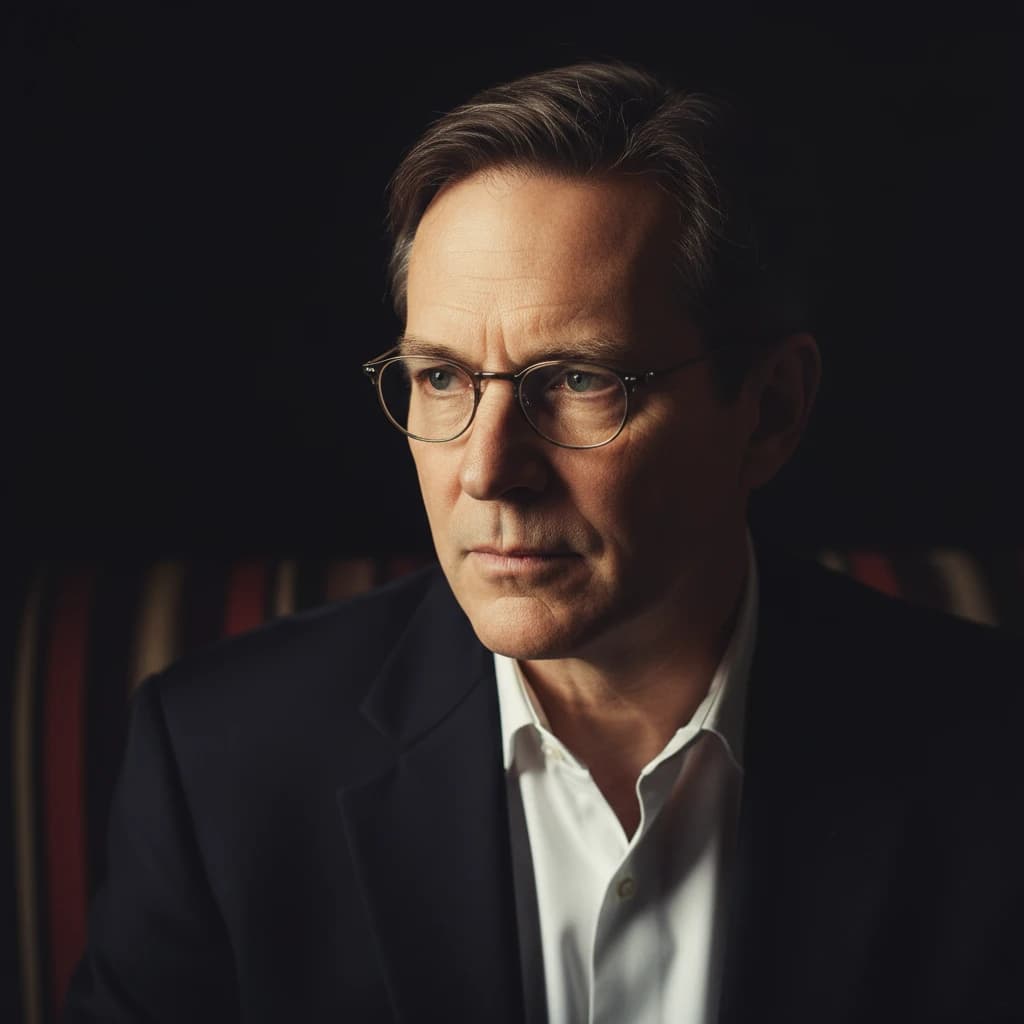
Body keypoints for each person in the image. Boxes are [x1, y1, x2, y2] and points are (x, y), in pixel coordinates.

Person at [65, 61, 1022, 1024]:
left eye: (576, 380)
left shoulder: (992, 760)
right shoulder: (220, 764)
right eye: (441, 378)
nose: (487, 471)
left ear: (770, 410)